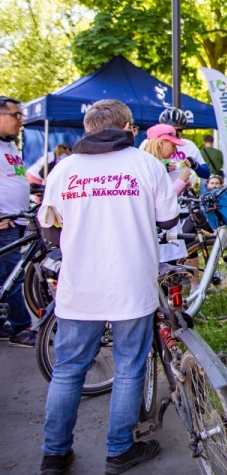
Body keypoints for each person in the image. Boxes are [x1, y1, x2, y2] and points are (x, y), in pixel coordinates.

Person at [38, 99, 179, 475]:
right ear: (128, 128)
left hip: (79, 287)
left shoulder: (64, 169)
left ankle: (54, 454)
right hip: (132, 285)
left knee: (69, 369)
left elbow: (49, 229)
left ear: (87, 129)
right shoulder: (146, 164)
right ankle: (119, 450)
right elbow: (169, 220)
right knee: (129, 367)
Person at [0, 95, 36, 348]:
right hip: (5, 224)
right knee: (13, 276)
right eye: (16, 115)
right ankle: (21, 327)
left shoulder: (10, 145)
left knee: (7, 275)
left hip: (17, 221)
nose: (21, 120)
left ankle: (5, 325)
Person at [157, 107, 210, 180]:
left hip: (185, 186)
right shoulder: (154, 144)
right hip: (164, 187)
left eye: (179, 130)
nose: (174, 133)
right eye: (170, 129)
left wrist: (195, 165)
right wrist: (164, 168)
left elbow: (206, 173)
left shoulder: (189, 145)